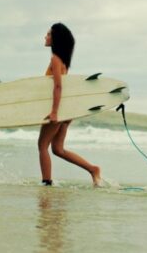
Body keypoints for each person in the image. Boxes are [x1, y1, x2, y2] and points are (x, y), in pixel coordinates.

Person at [38, 23, 101, 186]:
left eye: (49, 34)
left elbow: (58, 87)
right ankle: (92, 169)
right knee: (58, 149)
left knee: (42, 145)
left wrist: (54, 112)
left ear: (56, 39)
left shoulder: (55, 59)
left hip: (59, 111)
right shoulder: (63, 61)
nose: (46, 37)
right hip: (66, 110)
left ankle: (46, 183)